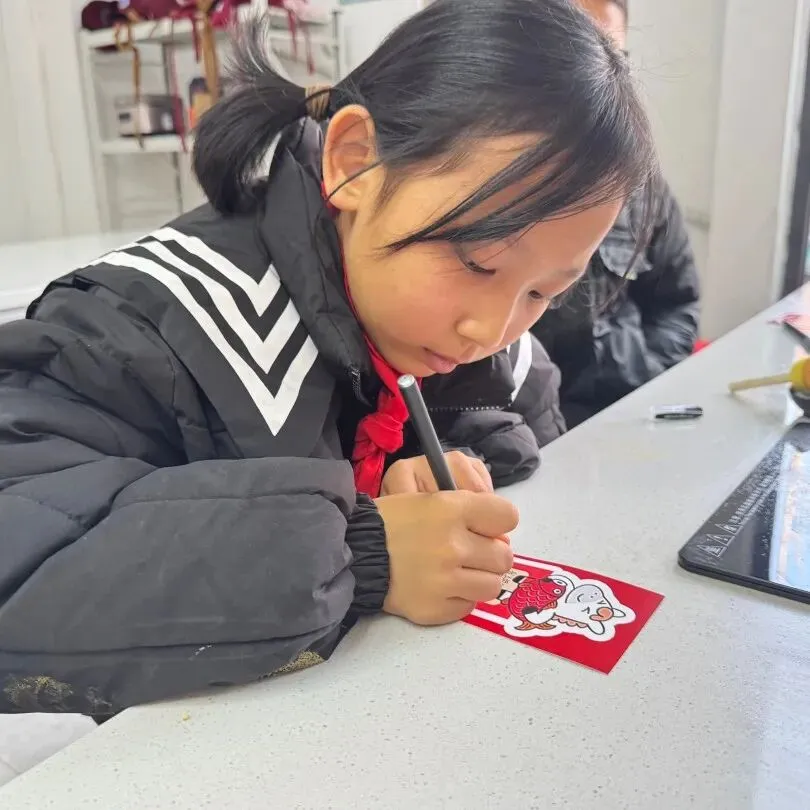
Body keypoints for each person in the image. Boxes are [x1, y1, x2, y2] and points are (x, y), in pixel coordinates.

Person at [0, 0, 656, 716]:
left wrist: (439, 469)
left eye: (542, 292)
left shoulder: (474, 339)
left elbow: (525, 430)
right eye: (477, 261)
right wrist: (364, 550)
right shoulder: (138, 326)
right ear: (353, 161)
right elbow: (23, 564)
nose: (489, 329)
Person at [531, 0, 701, 428]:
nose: (595, 77)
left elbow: (678, 303)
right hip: (534, 427)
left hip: (633, 410)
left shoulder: (646, 188)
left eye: (613, 58)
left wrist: (650, 378)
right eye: (574, 52)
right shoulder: (496, 190)